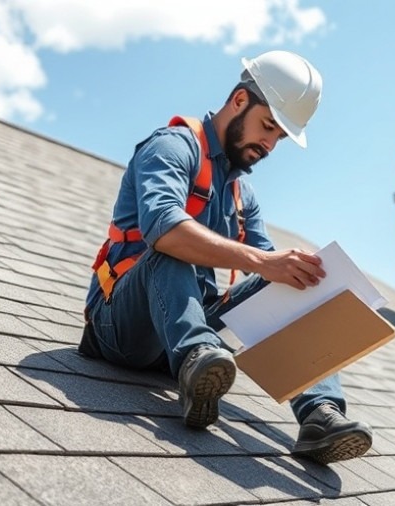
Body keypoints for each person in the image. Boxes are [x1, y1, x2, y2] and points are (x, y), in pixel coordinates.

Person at [80, 50, 372, 465]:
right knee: (171, 242)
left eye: (279, 138)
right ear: (239, 101)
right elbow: (162, 227)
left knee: (294, 277)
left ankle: (319, 415)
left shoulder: (241, 195)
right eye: (268, 126)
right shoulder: (172, 147)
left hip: (181, 336)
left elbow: (270, 275)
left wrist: (291, 274)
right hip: (121, 328)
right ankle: (197, 359)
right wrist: (262, 262)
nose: (270, 144)